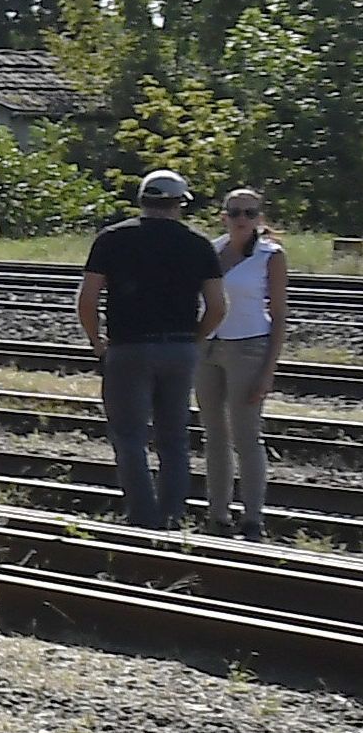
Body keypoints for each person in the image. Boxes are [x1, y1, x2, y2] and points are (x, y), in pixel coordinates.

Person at [77, 168, 228, 531]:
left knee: (129, 435)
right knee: (174, 437)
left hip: (128, 347)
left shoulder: (112, 239)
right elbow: (218, 306)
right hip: (179, 350)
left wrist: (97, 340)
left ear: (142, 201)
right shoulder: (198, 244)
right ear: (180, 204)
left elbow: (87, 300)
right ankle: (173, 515)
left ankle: (143, 517)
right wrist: (194, 340)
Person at [206, 185, 292, 541]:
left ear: (259, 218)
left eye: (250, 213)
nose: (242, 219)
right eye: (236, 212)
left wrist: (268, 370)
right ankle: (218, 513)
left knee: (246, 435)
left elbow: (280, 313)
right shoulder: (212, 250)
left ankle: (253, 516)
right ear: (224, 215)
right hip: (209, 346)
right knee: (214, 435)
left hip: (249, 347)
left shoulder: (270, 255)